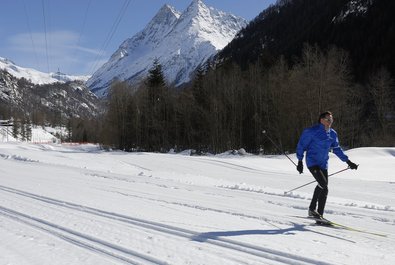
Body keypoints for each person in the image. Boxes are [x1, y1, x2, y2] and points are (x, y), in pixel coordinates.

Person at [296, 111, 358, 222]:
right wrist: (300, 161)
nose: (330, 122)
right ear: (322, 120)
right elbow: (301, 145)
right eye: (328, 119)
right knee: (323, 183)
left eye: (331, 120)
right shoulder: (311, 131)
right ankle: (311, 209)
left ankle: (319, 215)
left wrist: (348, 161)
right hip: (312, 162)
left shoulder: (333, 134)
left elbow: (337, 149)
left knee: (324, 189)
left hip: (323, 164)